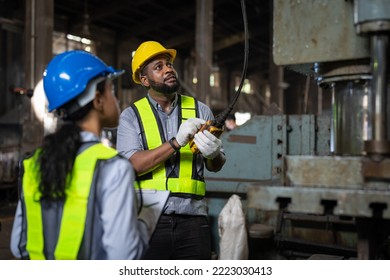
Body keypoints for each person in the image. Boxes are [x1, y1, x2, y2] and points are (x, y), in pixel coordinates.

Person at [10, 50, 154, 260]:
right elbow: (124, 256)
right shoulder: (113, 167)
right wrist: (144, 223)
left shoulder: (34, 164)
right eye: (111, 90)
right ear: (97, 99)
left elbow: (18, 246)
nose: (116, 99)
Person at [116, 41, 226, 260]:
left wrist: (214, 155)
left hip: (194, 219)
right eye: (158, 67)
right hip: (148, 220)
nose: (168, 69)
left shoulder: (200, 109)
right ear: (145, 80)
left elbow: (216, 166)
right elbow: (131, 166)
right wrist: (175, 142)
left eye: (169, 64)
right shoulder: (131, 116)